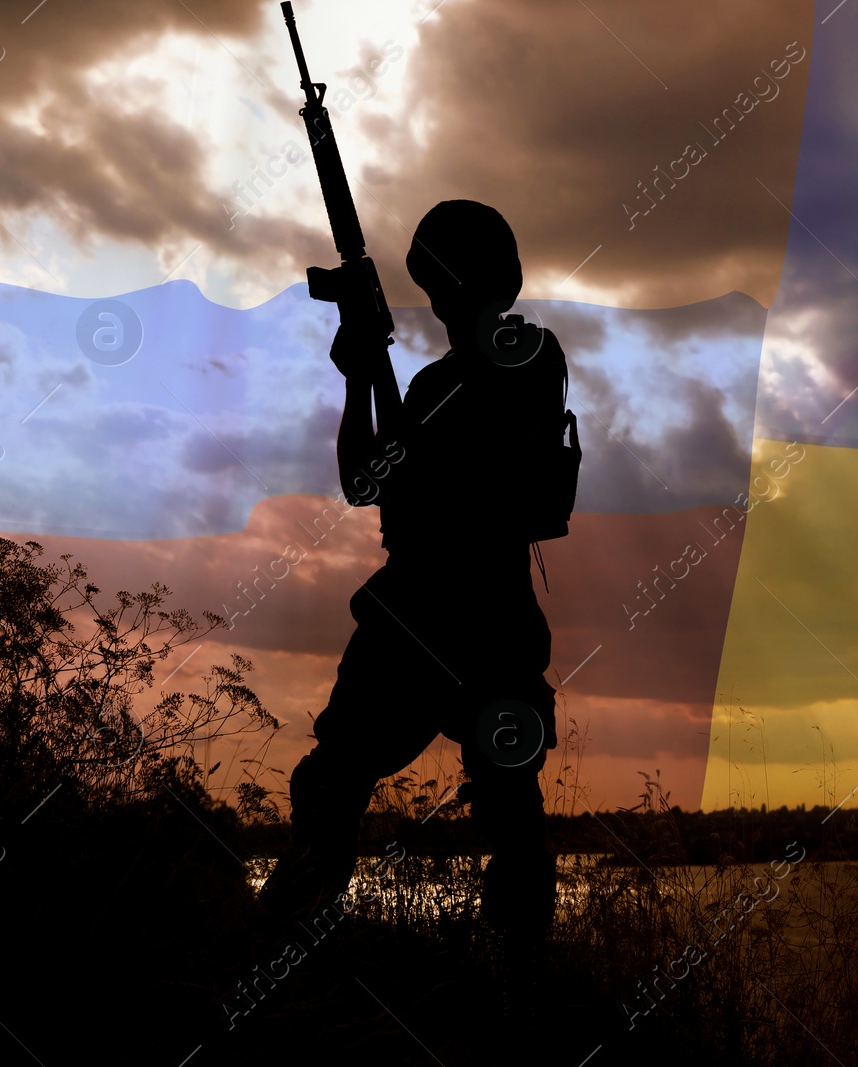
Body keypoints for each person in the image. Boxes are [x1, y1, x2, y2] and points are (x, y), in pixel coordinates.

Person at [261, 200, 571, 951]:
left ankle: (523, 985)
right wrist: (362, 373)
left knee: (510, 812)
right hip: (432, 616)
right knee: (333, 784)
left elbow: (483, 434)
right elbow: (366, 482)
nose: (439, 299)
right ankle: (287, 952)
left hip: (469, 615)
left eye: (440, 280)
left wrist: (382, 369)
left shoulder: (526, 354)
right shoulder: (431, 387)